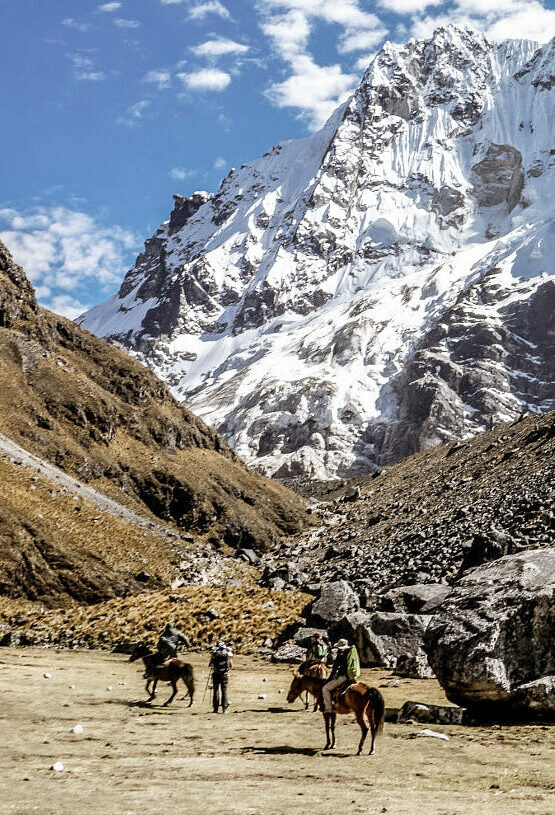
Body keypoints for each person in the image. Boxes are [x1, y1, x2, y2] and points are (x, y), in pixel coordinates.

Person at [322, 638, 360, 713]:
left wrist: (329, 679)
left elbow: (335, 668)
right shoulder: (350, 653)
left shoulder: (341, 655)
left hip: (343, 676)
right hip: (351, 675)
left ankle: (328, 708)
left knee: (325, 689)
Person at [209, 641, 233, 713]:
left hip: (216, 674)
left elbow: (209, 664)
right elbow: (231, 665)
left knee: (215, 690)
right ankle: (224, 709)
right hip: (224, 674)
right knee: (224, 691)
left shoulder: (214, 653)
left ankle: (215, 709)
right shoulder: (227, 653)